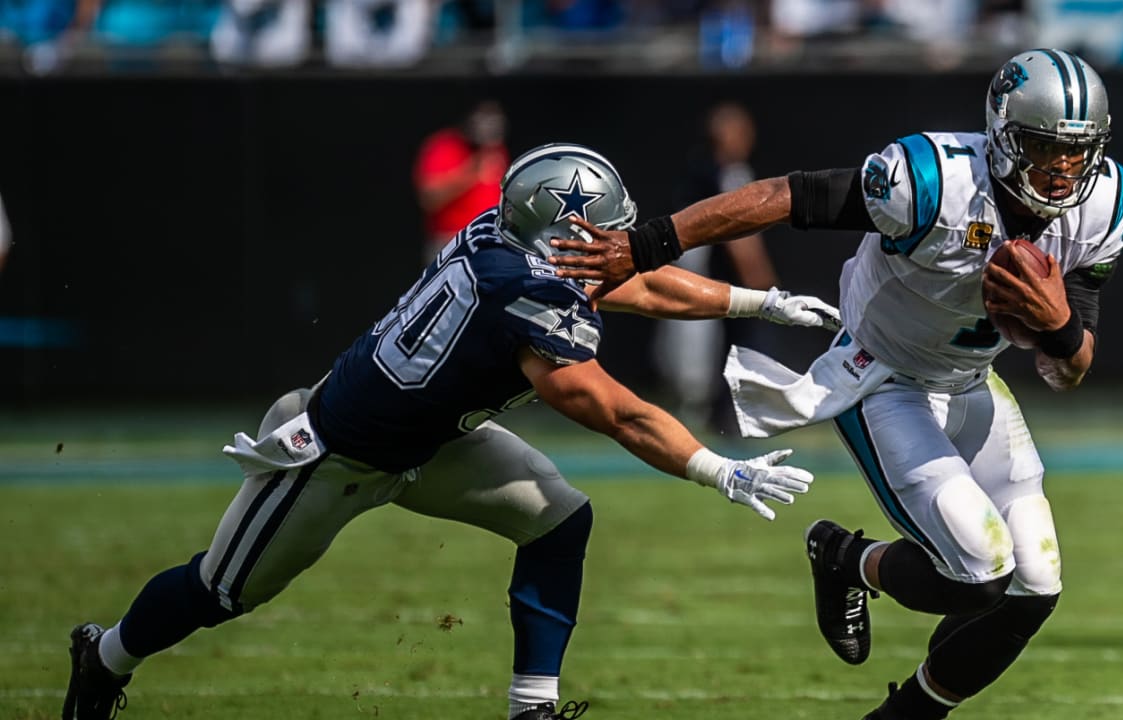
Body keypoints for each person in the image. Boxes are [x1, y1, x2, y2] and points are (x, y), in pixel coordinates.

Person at [61, 142, 841, 720]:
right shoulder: (524, 293)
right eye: (598, 227)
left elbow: (629, 277)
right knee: (222, 591)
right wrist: (717, 469)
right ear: (557, 228)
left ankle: (531, 707)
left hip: (433, 442)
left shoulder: (506, 237)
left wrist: (756, 305)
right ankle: (102, 658)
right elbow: (613, 409)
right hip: (338, 454)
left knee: (560, 518)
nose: (612, 241)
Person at [548, 49, 1123, 720]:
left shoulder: (1104, 205)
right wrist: (647, 243)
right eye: (1044, 148)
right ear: (1003, 136)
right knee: (979, 572)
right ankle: (843, 556)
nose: (1063, 170)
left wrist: (1060, 331)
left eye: (1077, 152)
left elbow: (1070, 370)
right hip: (883, 378)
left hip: (972, 384)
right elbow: (781, 197)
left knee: (1036, 586)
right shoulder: (932, 182)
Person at [653, 101, 780, 431]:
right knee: (700, 359)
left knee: (703, 358)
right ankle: (717, 419)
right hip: (706, 281)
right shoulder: (722, 173)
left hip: (685, 278)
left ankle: (716, 417)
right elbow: (737, 232)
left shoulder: (703, 170)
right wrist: (759, 277)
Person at [413, 101, 509, 263]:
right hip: (451, 242)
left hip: (492, 239)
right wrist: (472, 171)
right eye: (484, 120)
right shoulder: (444, 146)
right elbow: (429, 197)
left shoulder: (496, 150)